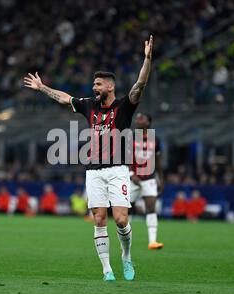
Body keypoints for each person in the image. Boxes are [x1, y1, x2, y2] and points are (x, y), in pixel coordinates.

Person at [23, 35, 154, 281]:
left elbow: (140, 84)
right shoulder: (89, 105)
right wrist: (42, 88)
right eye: (94, 84)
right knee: (99, 218)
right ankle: (107, 270)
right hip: (94, 171)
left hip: (117, 169)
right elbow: (64, 98)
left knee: (121, 219)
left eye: (99, 84)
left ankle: (126, 256)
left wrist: (147, 59)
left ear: (110, 87)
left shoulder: (124, 106)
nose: (94, 88)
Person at [129, 112, 164, 250]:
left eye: (141, 118)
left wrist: (161, 179)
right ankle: (126, 240)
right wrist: (131, 174)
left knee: (151, 208)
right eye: (137, 118)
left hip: (149, 178)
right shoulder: (130, 138)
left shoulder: (155, 140)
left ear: (148, 122)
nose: (137, 120)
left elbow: (158, 160)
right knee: (126, 209)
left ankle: (152, 241)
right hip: (133, 178)